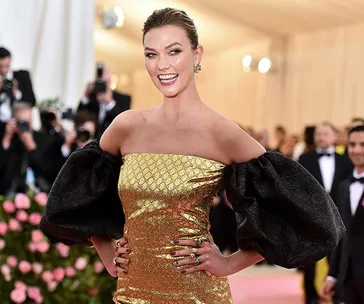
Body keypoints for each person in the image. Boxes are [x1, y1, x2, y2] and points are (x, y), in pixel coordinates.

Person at [40, 8, 345, 303]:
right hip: (132, 293)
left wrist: (230, 263)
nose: (162, 65)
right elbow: (77, 196)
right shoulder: (126, 127)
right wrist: (107, 251)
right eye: (151, 54)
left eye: (174, 51)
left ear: (197, 55)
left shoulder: (223, 133)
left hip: (198, 294)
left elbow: (306, 216)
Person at [299, 121, 353, 304]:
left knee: (337, 255)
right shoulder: (305, 158)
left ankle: (338, 293)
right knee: (309, 258)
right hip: (311, 216)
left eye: (325, 133)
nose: (321, 137)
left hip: (339, 217)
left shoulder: (346, 161)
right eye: (318, 134)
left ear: (334, 136)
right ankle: (310, 295)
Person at [321, 125, 364, 304]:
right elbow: (340, 235)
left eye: (362, 145)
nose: (356, 150)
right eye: (352, 145)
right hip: (347, 277)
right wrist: (332, 275)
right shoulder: (343, 187)